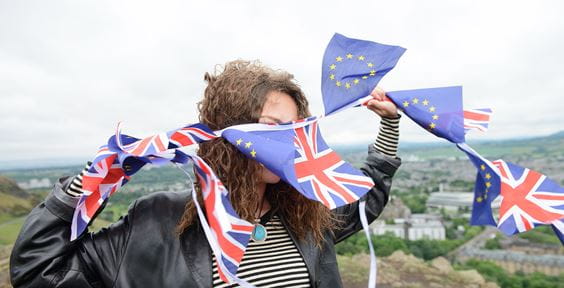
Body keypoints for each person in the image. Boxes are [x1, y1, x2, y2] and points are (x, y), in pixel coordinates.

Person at [10, 60, 402, 288]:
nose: (292, 141)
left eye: (295, 127)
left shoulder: (307, 212)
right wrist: (91, 180)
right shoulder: (155, 223)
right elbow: (41, 270)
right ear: (226, 133)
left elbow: (366, 200)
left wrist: (389, 126)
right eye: (271, 127)